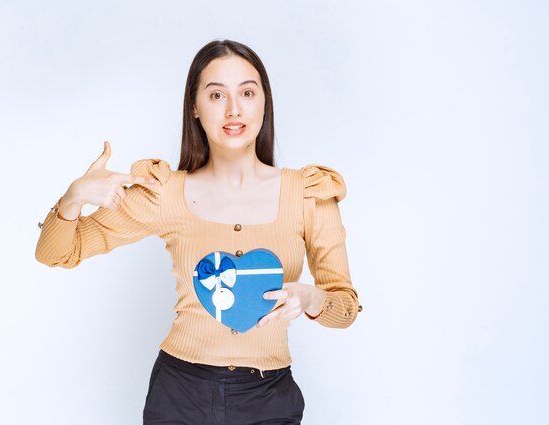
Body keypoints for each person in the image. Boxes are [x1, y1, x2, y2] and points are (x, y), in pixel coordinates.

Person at [35, 39, 361, 425]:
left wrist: (310, 297)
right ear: (194, 107)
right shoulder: (164, 192)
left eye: (247, 92)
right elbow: (55, 252)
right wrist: (74, 198)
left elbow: (346, 308)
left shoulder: (309, 193)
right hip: (179, 394)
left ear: (264, 102)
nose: (233, 109)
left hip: (269, 400)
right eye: (216, 94)